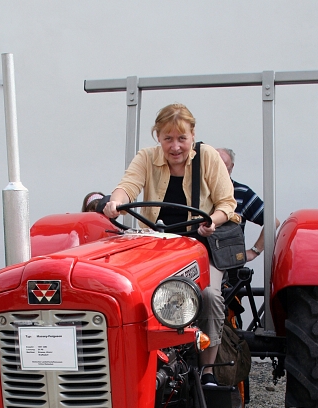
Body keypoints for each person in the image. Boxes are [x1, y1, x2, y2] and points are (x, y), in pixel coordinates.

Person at [103, 103, 240, 386]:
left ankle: (208, 370)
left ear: (192, 136)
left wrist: (212, 220)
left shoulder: (209, 158)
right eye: (167, 138)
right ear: (158, 137)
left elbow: (227, 203)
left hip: (201, 244)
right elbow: (128, 186)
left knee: (210, 296)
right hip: (160, 244)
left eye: (181, 138)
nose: (175, 146)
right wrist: (115, 201)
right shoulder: (146, 158)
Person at [216, 148, 279, 262]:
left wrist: (254, 251)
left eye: (223, 165)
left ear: (231, 168)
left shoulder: (242, 193)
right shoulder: (195, 193)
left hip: (231, 266)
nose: (218, 169)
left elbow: (273, 222)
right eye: (215, 164)